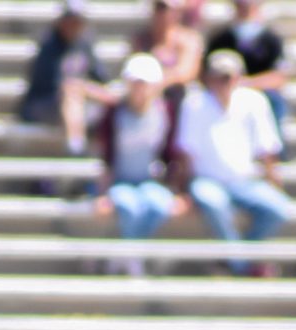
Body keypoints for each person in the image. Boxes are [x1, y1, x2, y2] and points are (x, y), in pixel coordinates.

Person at [173, 51, 289, 268]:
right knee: (212, 202)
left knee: (278, 208)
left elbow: (266, 149)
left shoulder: (254, 101)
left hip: (243, 181)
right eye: (218, 77)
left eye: (228, 77)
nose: (223, 83)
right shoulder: (194, 104)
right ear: (208, 78)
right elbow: (187, 153)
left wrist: (274, 183)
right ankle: (242, 266)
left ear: (238, 77)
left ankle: (236, 263)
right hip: (207, 181)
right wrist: (183, 190)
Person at [93, 56, 180, 254]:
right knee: (129, 208)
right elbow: (106, 157)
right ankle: (132, 259)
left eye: (145, 84)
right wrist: (102, 193)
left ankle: (129, 256)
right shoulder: (114, 113)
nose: (140, 89)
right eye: (136, 83)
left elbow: (170, 153)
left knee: (159, 206)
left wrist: (177, 188)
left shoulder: (165, 112)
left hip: (151, 181)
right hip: (121, 181)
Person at [19, 0, 106, 149]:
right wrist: (75, 88)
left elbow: (102, 80)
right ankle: (76, 146)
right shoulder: (48, 47)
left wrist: (83, 88)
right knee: (70, 92)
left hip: (82, 103)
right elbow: (50, 86)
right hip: (47, 103)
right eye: (70, 21)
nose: (73, 26)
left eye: (77, 22)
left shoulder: (85, 45)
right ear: (61, 22)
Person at [203, 0, 288, 131]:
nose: (245, 8)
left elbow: (278, 77)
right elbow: (205, 74)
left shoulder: (272, 40)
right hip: (223, 94)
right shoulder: (220, 39)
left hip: (260, 93)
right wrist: (227, 84)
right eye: (241, 4)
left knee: (272, 101)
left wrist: (246, 83)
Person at [129, 0, 203, 89]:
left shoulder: (188, 40)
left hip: (179, 93)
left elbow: (186, 73)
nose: (162, 13)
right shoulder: (142, 40)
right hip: (146, 92)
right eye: (158, 8)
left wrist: (157, 82)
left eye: (165, 8)